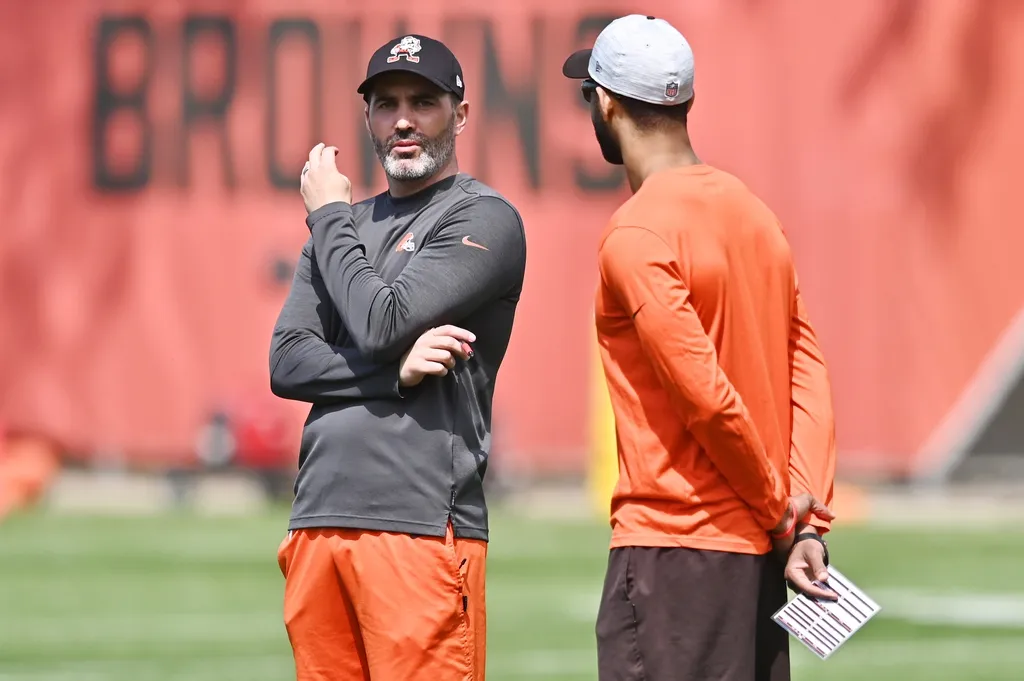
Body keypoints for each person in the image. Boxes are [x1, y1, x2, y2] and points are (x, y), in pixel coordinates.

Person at [562, 15, 838, 681]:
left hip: (672, 551)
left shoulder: (636, 233)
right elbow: (808, 370)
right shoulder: (753, 213)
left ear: (606, 103)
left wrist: (781, 515)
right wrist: (805, 520)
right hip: (755, 558)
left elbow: (706, 398)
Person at [269, 33, 527, 681]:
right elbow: (288, 361)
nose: (403, 119)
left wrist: (326, 216)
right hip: (318, 522)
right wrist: (394, 374)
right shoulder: (346, 225)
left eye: (424, 101)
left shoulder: (483, 218)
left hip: (420, 528)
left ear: (461, 114)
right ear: (368, 118)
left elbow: (382, 322)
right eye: (386, 103)